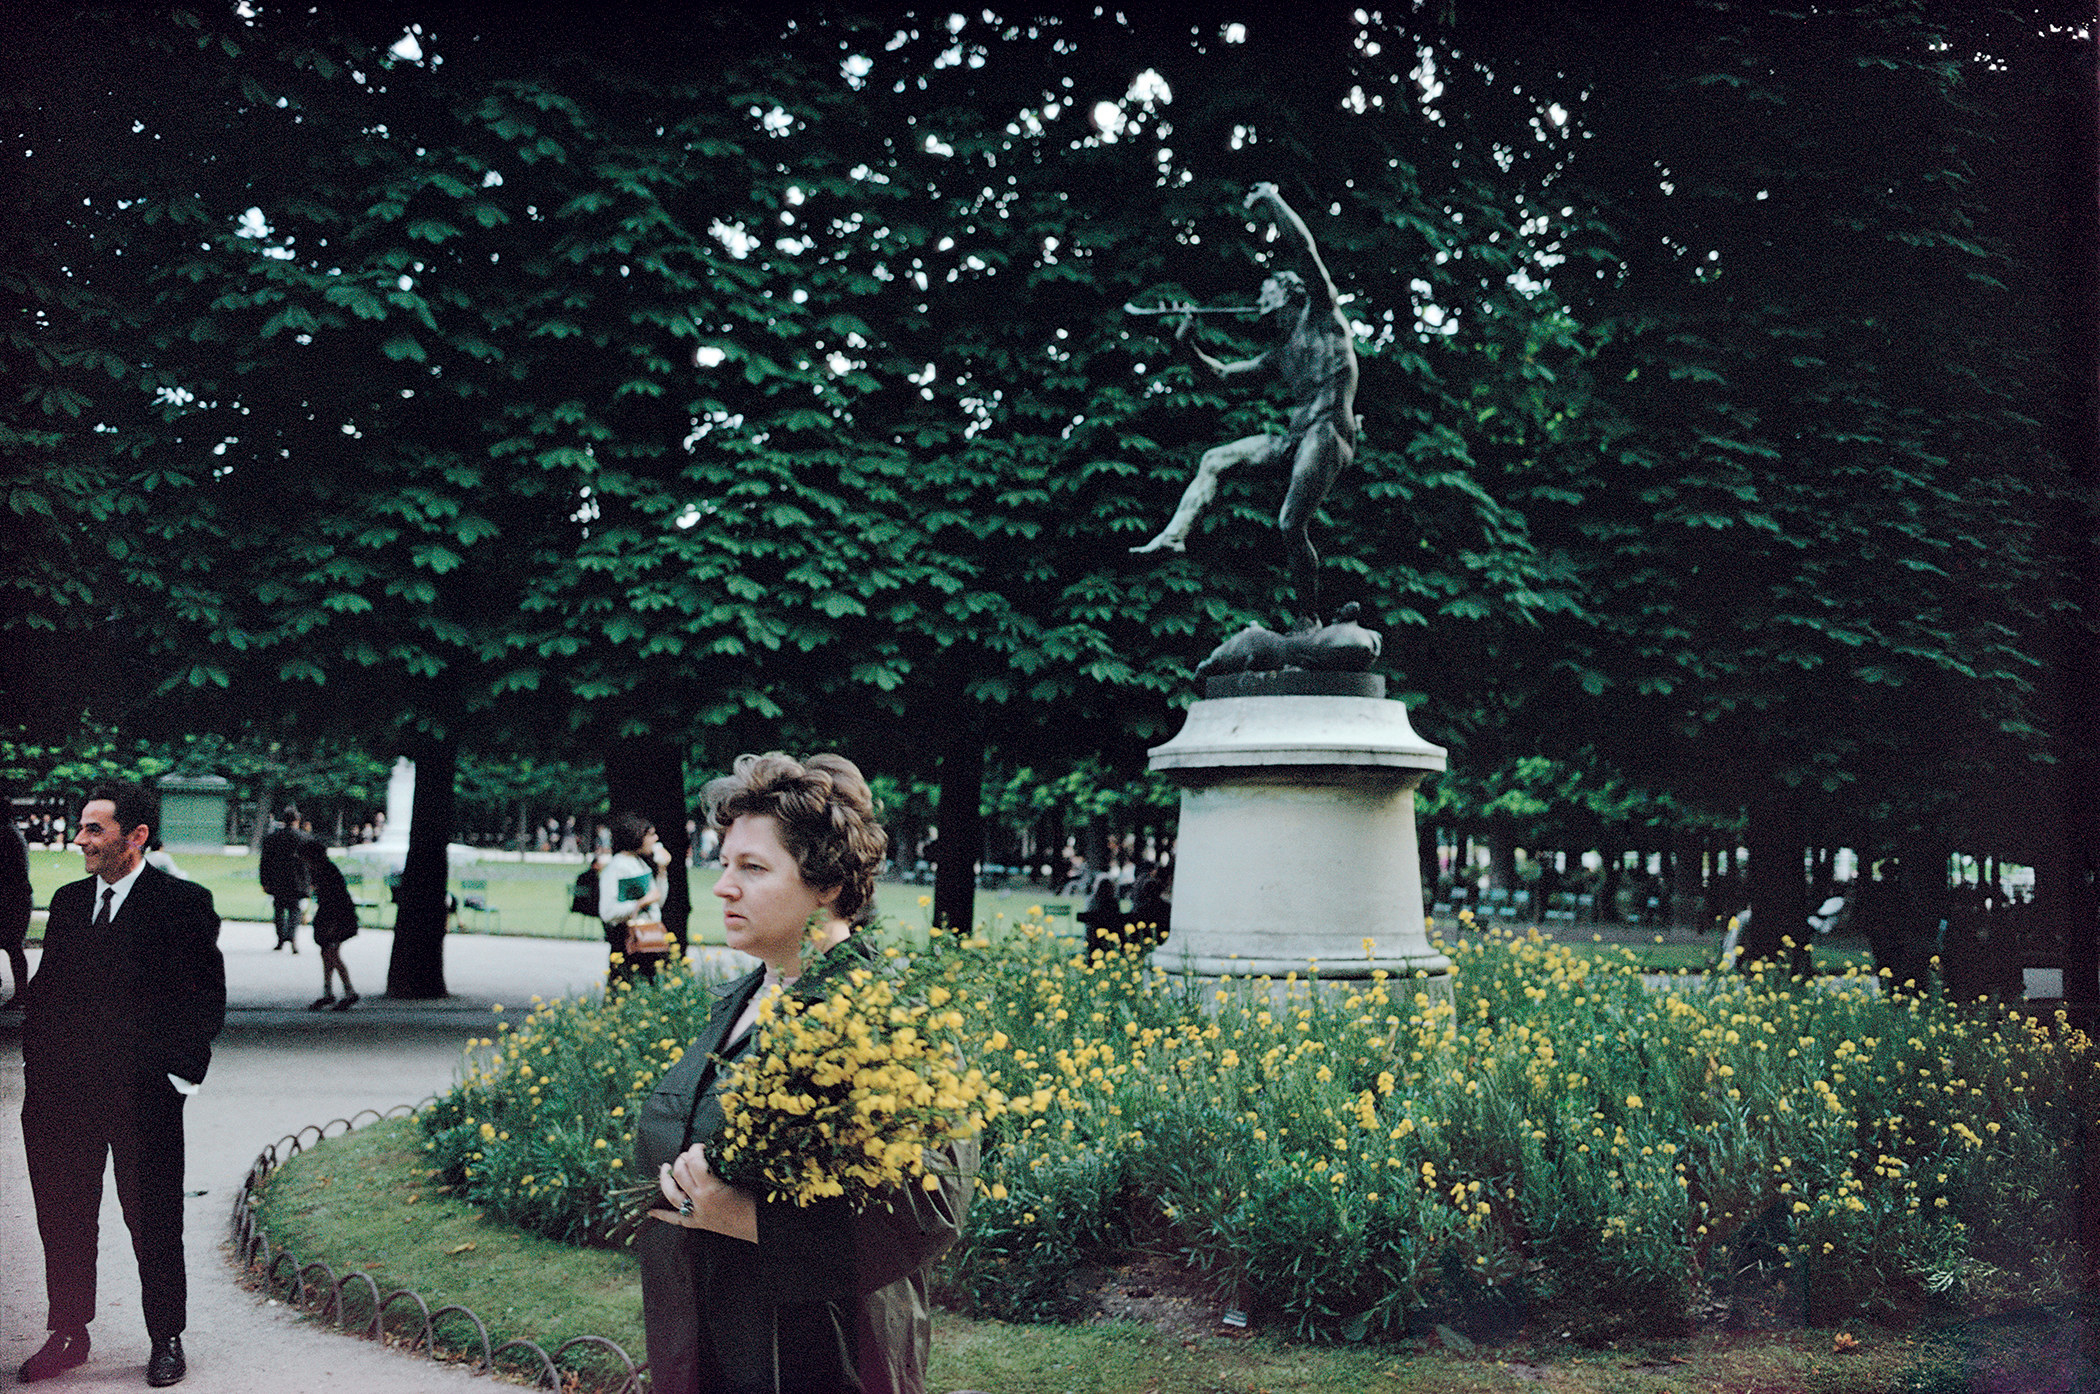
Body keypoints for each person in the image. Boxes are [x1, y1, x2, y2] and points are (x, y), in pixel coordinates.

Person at [636, 753, 972, 1394]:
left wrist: (744, 1217)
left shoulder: (886, 1017)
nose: (722, 886)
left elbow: (929, 1210)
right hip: (710, 1346)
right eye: (725, 862)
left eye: (752, 868)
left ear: (828, 885)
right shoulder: (741, 1001)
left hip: (824, 1356)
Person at [19, 783, 225, 1387]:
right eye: (81, 828)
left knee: (154, 1219)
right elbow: (47, 994)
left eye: (94, 830)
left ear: (135, 838)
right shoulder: (67, 902)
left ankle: (165, 1338)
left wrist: (179, 1076)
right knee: (63, 1218)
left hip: (143, 1098)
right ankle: (68, 1333)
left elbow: (204, 1000)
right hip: (62, 1098)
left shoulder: (183, 902)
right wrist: (39, 1076)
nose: (79, 840)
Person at [1131, 181, 1361, 627]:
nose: (1259, 301)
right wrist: (1187, 345)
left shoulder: (1321, 315)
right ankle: (1174, 535)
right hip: (1298, 435)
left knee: (1290, 526)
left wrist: (1274, 200)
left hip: (1330, 431)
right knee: (1215, 458)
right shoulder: (1279, 354)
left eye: (1266, 293)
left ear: (1290, 294)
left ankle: (1308, 616)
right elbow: (1220, 376)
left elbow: (1306, 250)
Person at [599, 812, 668, 981]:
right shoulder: (617, 867)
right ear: (637, 836)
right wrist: (641, 902)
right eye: (651, 834)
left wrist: (662, 871)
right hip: (628, 942)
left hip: (648, 940)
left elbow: (658, 901)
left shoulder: (640, 862)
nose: (656, 838)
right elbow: (607, 912)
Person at [297, 840, 360, 1011]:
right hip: (334, 915)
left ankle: (348, 991)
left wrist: (332, 923)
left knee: (331, 953)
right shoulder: (321, 870)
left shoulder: (325, 872)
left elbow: (333, 898)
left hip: (336, 916)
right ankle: (329, 991)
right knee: (327, 953)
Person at [257, 807, 309, 953]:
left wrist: (264, 881)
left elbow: (265, 862)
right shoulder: (304, 838)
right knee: (295, 910)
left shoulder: (272, 837)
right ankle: (291, 936)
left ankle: (280, 939)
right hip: (297, 880)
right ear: (297, 820)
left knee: (279, 909)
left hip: (277, 879)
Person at [2, 814, 31, 1007]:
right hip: (17, 896)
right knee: (14, 946)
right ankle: (21, 992)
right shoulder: (12, 832)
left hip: (10, 897)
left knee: (13, 946)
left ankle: (21, 993)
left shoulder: (5, 834)